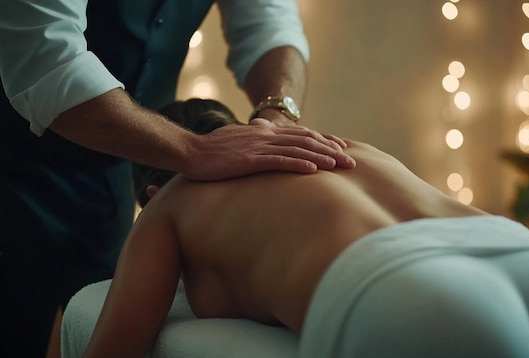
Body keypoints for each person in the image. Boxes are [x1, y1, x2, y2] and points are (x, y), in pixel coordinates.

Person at [83, 98, 529, 358]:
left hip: (412, 297)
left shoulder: (170, 199)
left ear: (150, 191)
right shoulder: (339, 146)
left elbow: (113, 352)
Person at [0, 1, 356, 356]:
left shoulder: (169, 209)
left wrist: (276, 117)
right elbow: (46, 59)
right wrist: (195, 152)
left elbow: (270, 23)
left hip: (115, 174)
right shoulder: (353, 154)